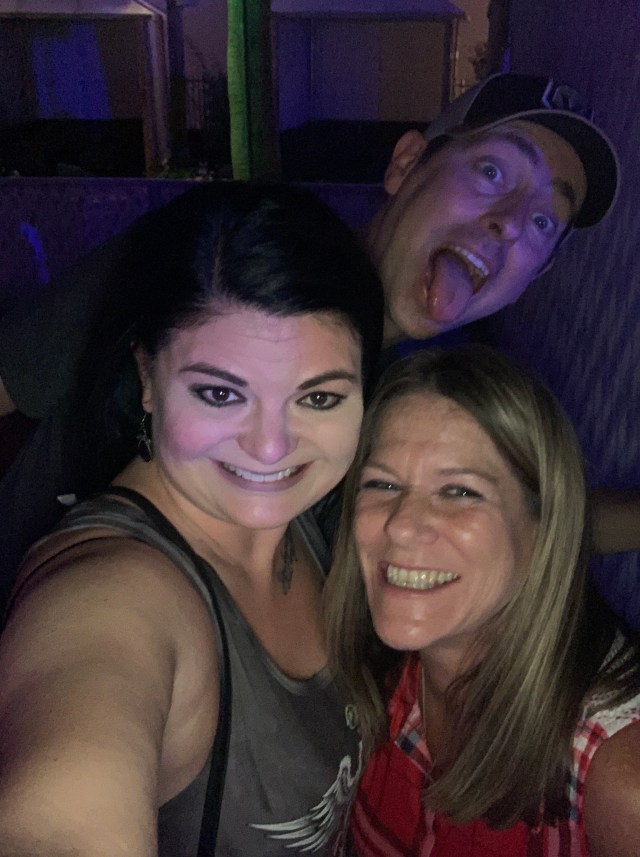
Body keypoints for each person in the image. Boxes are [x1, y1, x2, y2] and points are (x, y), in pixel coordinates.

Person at [0, 72, 636, 604]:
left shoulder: (407, 403)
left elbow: (522, 513)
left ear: (534, 276)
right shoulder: (214, 259)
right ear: (407, 163)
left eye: (546, 220)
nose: (510, 223)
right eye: (492, 171)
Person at [0, 181, 384, 856]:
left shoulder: (307, 526)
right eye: (220, 393)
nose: (271, 447)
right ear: (148, 378)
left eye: (319, 398)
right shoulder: (114, 595)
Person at [325, 345, 640, 857]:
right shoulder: (371, 664)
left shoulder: (617, 779)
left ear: (543, 529)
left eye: (460, 491)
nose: (400, 525)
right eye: (382, 483)